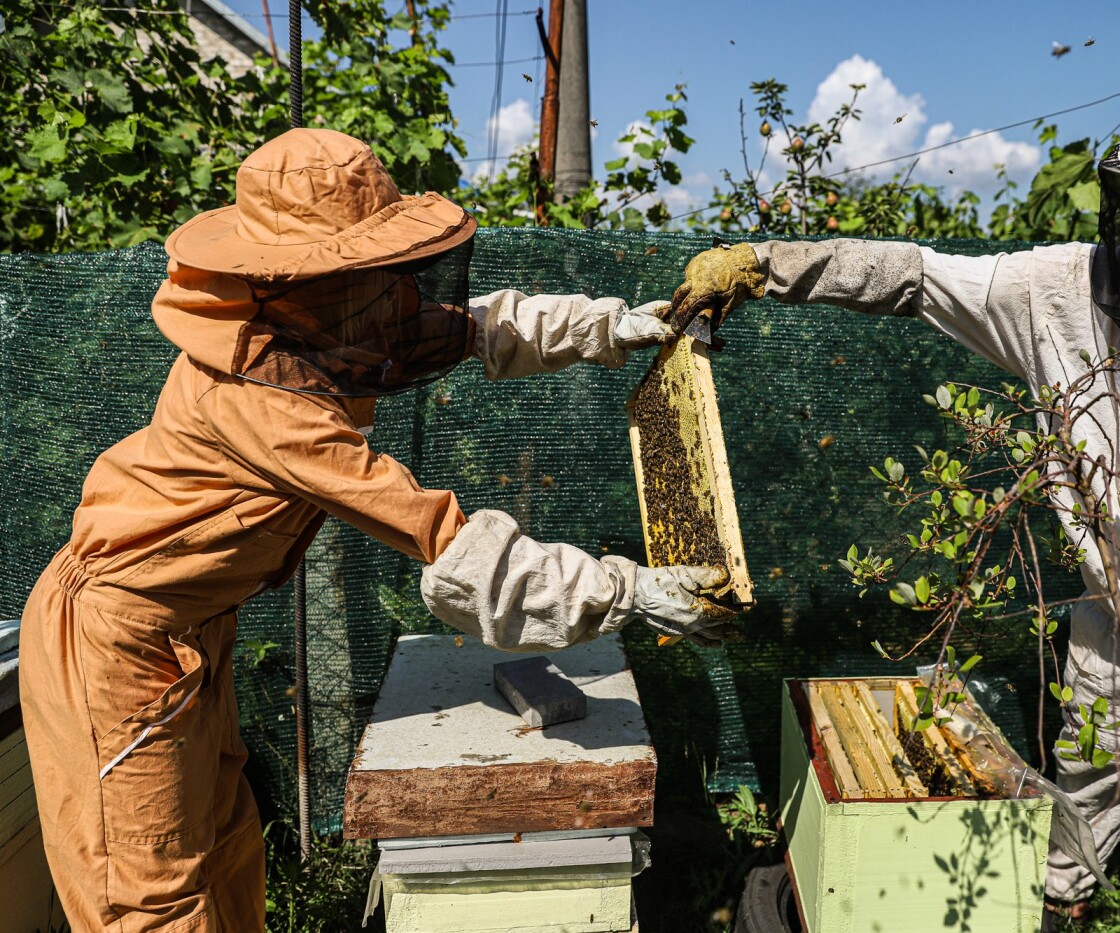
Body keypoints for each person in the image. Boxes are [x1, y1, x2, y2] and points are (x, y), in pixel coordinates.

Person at [671, 97, 1120, 932]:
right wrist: (766, 263)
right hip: (1113, 614)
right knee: (1074, 819)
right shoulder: (1067, 295)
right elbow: (918, 277)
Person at [19, 128, 735, 931]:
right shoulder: (258, 399)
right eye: (364, 272)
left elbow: (469, 326)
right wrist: (626, 589)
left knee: (223, 847)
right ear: (295, 280)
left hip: (190, 631)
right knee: (148, 897)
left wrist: (608, 326)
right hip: (118, 643)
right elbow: (445, 538)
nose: (393, 294)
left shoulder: (326, 325)